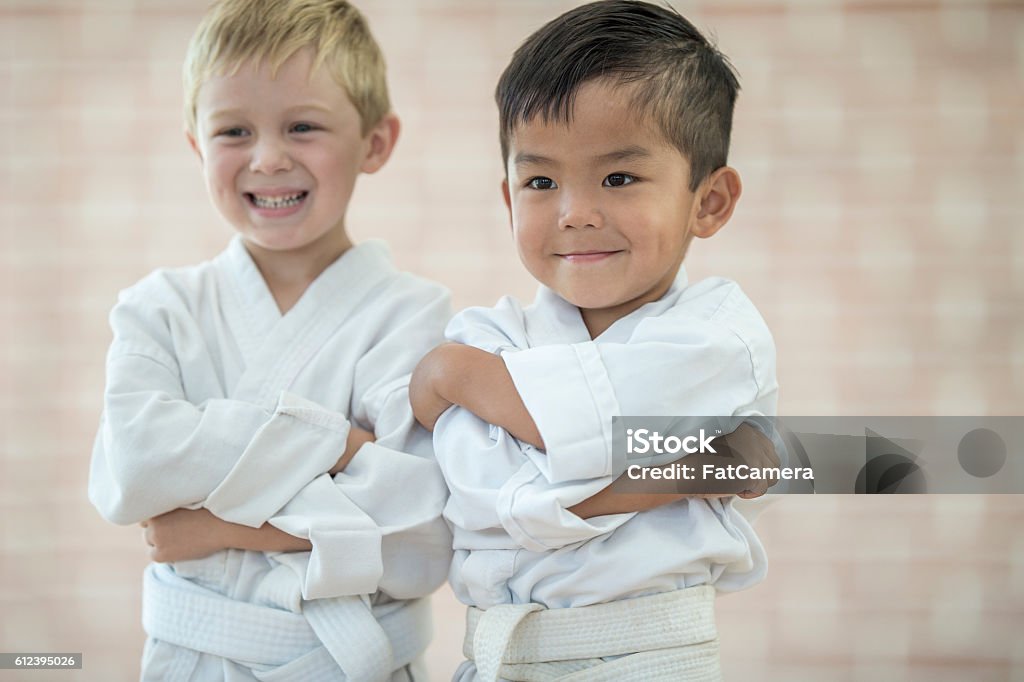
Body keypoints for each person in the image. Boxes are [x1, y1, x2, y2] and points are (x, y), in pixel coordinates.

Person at [409, 1, 779, 679]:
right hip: (495, 658)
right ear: (508, 197)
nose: (575, 213)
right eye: (541, 181)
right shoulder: (490, 335)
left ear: (709, 201)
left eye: (619, 177)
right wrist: (677, 476)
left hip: (651, 659)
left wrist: (451, 378)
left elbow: (589, 431)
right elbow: (469, 490)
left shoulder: (721, 340)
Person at [88, 1, 451, 679]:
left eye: (303, 126)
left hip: (349, 663)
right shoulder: (157, 309)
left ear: (376, 142)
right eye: (233, 130)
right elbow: (135, 469)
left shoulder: (411, 314)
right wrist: (341, 447)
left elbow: (419, 536)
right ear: (197, 145)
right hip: (194, 661)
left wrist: (218, 527)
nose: (268, 158)